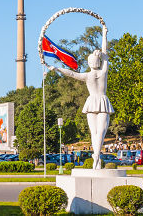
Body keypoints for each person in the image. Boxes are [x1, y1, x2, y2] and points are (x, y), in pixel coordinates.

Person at [45, 27, 111, 170]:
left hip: (93, 102)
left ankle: (96, 157)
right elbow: (105, 52)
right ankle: (97, 157)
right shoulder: (103, 71)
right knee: (100, 132)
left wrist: (56, 69)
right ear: (99, 62)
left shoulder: (87, 76)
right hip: (101, 101)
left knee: (95, 132)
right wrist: (104, 34)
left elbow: (71, 74)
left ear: (89, 63)